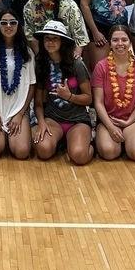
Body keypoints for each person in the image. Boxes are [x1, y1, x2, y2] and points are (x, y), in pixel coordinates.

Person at [0, 8, 36, 160]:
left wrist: (20, 114)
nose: (8, 26)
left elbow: (31, 86)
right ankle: (0, 136)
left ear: (18, 25)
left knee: (22, 152)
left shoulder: (27, 52)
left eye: (12, 22)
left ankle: (11, 137)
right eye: (4, 23)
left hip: (18, 108)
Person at [32, 20, 93, 166]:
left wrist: (69, 96)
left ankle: (89, 143)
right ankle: (61, 142)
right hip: (53, 119)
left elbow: (88, 98)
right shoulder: (41, 64)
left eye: (55, 39)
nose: (50, 42)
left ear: (62, 42)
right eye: (47, 38)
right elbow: (38, 103)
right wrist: (41, 122)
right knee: (43, 150)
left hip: (77, 120)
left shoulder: (77, 64)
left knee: (79, 156)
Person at [91, 25, 135, 162]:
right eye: (115, 40)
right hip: (109, 120)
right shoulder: (101, 66)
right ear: (110, 43)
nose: (120, 43)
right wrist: (110, 127)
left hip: (134, 119)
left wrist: (129, 121)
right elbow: (98, 102)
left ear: (130, 42)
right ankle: (112, 139)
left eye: (124, 40)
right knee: (109, 152)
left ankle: (133, 139)